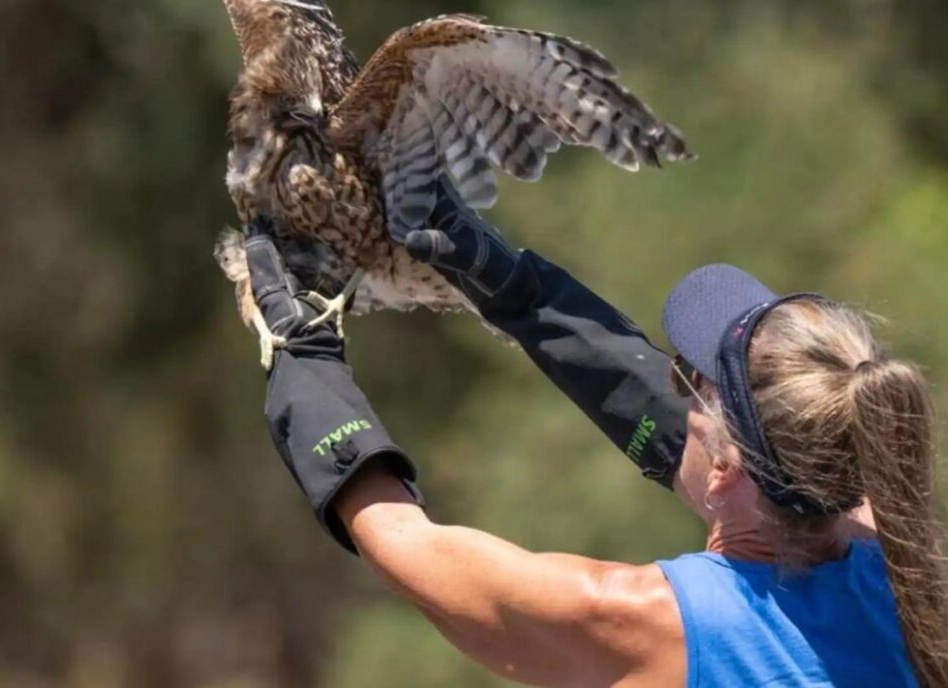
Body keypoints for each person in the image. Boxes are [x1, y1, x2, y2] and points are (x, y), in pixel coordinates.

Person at [247, 181, 948, 687]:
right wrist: (518, 291)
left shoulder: (653, 625)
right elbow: (696, 441)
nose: (677, 396)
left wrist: (302, 365)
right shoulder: (909, 570)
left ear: (729, 469)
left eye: (690, 386)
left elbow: (406, 549)